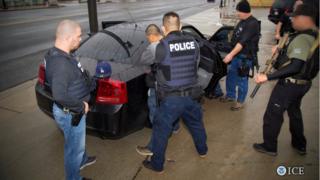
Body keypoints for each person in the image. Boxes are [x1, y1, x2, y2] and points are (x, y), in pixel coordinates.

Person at [141, 12, 208, 173]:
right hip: (192, 96)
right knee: (197, 125)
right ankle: (203, 151)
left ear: (164, 28)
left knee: (160, 132)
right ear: (180, 25)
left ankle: (157, 165)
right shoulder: (194, 43)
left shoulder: (160, 46)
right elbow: (195, 65)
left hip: (171, 99)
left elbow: (147, 63)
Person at [253, 4, 319, 156]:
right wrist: (280, 49)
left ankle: (269, 147)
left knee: (273, 115)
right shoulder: (314, 34)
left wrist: (267, 76)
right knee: (294, 112)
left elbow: (296, 65)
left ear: (305, 19)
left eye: (295, 18)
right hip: (303, 84)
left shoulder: (303, 38)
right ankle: (299, 144)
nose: (292, 20)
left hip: (290, 85)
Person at [45, 19, 96, 180]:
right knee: (73, 149)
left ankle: (82, 159)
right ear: (68, 38)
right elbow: (59, 95)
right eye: (79, 36)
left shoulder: (59, 54)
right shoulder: (61, 64)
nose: (80, 39)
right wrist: (81, 106)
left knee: (75, 143)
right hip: (71, 113)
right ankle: (74, 177)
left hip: (71, 111)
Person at [136, 24, 180, 156]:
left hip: (158, 86)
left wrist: (149, 70)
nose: (148, 40)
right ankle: (175, 127)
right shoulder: (170, 42)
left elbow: (142, 61)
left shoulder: (152, 47)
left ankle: (153, 147)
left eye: (147, 38)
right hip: (173, 85)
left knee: (155, 114)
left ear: (151, 36)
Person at [220, 0, 260, 111]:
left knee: (242, 80)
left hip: (245, 57)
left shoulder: (252, 23)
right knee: (231, 76)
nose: (237, 13)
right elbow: (235, 38)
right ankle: (230, 95)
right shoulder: (242, 21)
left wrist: (230, 55)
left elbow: (242, 42)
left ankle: (240, 102)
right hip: (237, 55)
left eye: (238, 11)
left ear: (245, 11)